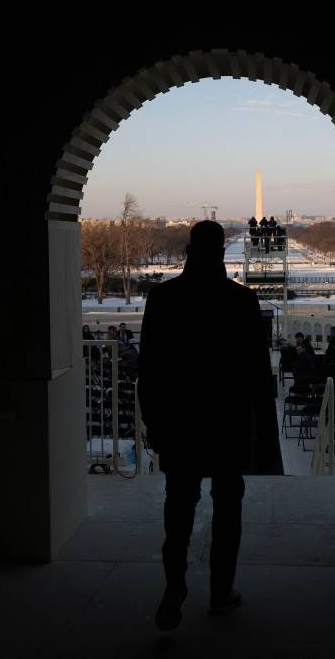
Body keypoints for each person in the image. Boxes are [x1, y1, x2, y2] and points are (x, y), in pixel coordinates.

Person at [138, 220, 280, 632]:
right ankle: (220, 592)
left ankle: (174, 588)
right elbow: (258, 376)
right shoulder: (241, 301)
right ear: (222, 251)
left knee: (178, 511)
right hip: (227, 425)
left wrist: (154, 421)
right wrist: (264, 436)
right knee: (227, 511)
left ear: (186, 250)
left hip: (180, 425)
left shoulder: (162, 298)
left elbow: (149, 369)